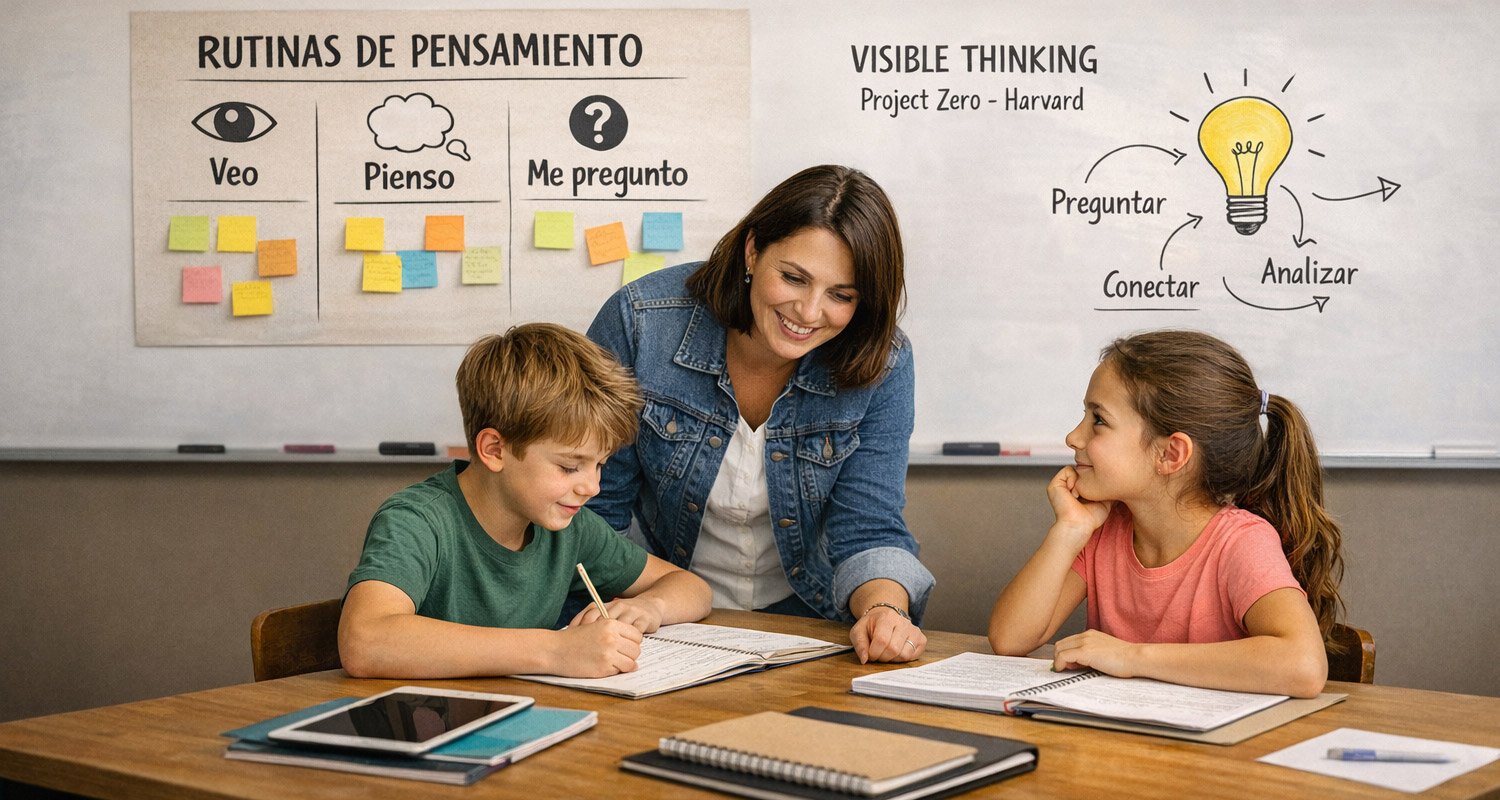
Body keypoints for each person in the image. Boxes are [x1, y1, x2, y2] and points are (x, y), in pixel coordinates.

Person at [586, 164, 934, 664]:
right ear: (753, 251)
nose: (810, 313)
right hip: (654, 616)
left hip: (807, 623)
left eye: (841, 296)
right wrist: (628, 613)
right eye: (793, 278)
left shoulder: (884, 362)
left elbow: (869, 525)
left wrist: (883, 609)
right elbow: (597, 509)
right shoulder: (641, 322)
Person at [338, 323, 712, 679]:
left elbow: (693, 588)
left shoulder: (570, 529)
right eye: (569, 466)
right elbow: (364, 640)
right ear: (495, 450)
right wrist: (554, 651)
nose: (592, 487)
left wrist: (651, 607)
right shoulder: (417, 521)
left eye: (600, 464)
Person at [987, 330, 1343, 698]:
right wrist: (1068, 529)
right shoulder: (1103, 530)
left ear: (1170, 455)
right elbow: (1009, 639)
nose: (1073, 437)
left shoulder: (1241, 542)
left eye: (1098, 420)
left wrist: (1133, 658)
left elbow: (1304, 666)